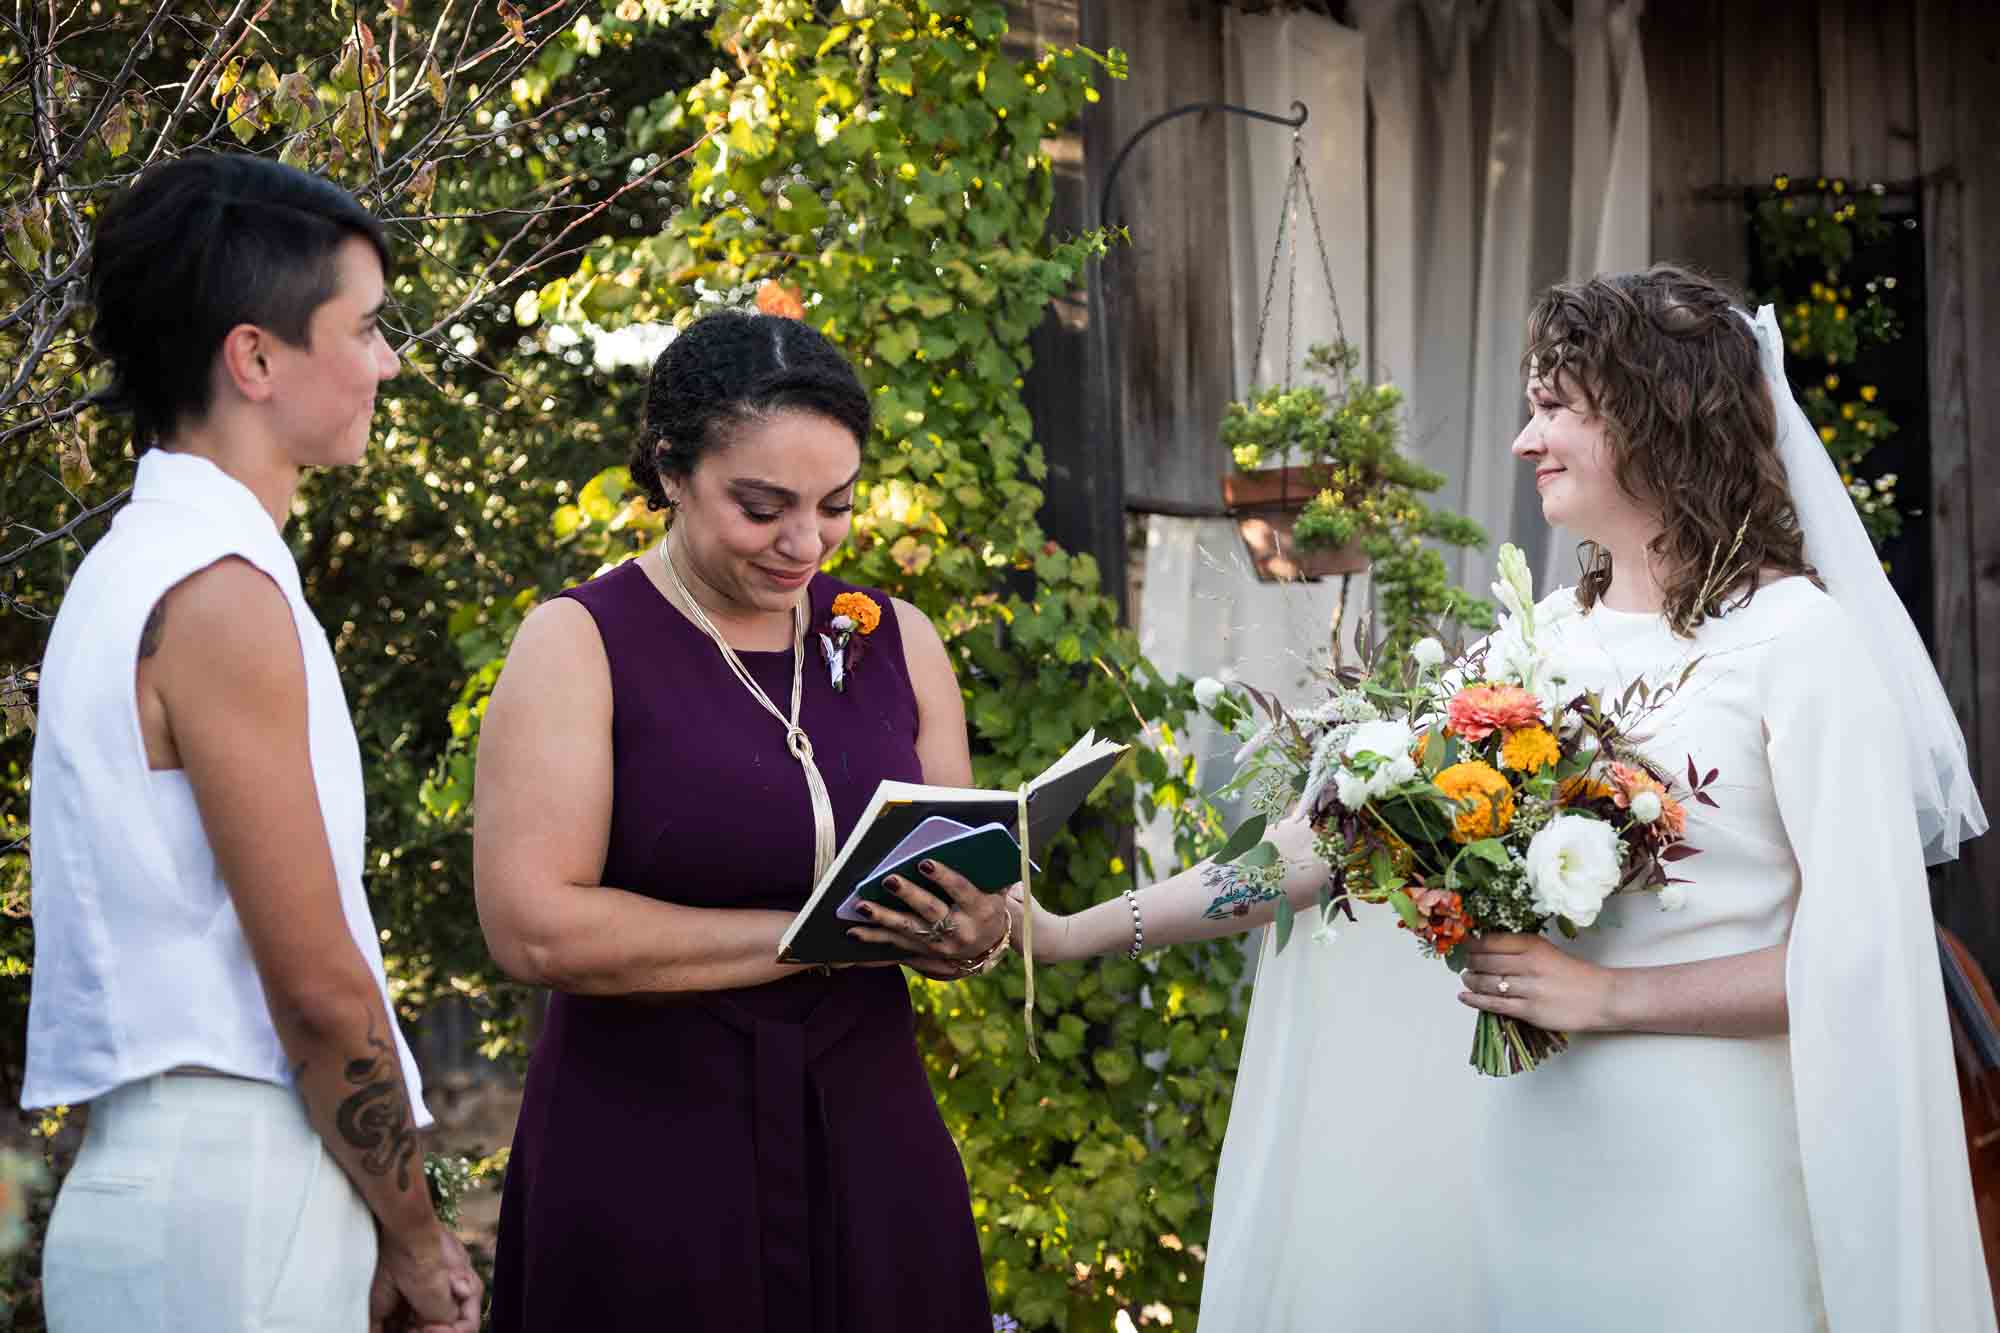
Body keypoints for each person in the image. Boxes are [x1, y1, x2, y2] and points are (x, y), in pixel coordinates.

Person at [1015, 265, 1994, 1330]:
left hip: (1712, 1175)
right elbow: (1319, 849)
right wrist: (1071, 932)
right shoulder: (1531, 645)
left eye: (1552, 409)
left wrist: (1606, 997)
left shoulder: (1798, 645)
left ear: (1658, 418)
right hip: (1532, 1161)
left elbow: (1862, 960)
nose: (1524, 442)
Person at [475, 309, 1011, 1330]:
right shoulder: (577, 642)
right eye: (761, 506)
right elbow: (533, 926)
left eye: (835, 506)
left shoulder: (899, 637)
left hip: (869, 1135)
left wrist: (974, 932)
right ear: (670, 468)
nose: (804, 542)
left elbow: (966, 876)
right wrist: (814, 937)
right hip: (647, 1151)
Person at [27, 154, 480, 1332]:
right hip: (233, 1197)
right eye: (368, 327)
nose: (389, 360)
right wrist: (419, 1237)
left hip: (197, 1186)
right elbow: (319, 990)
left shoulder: (139, 566)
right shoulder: (218, 593)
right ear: (257, 357)